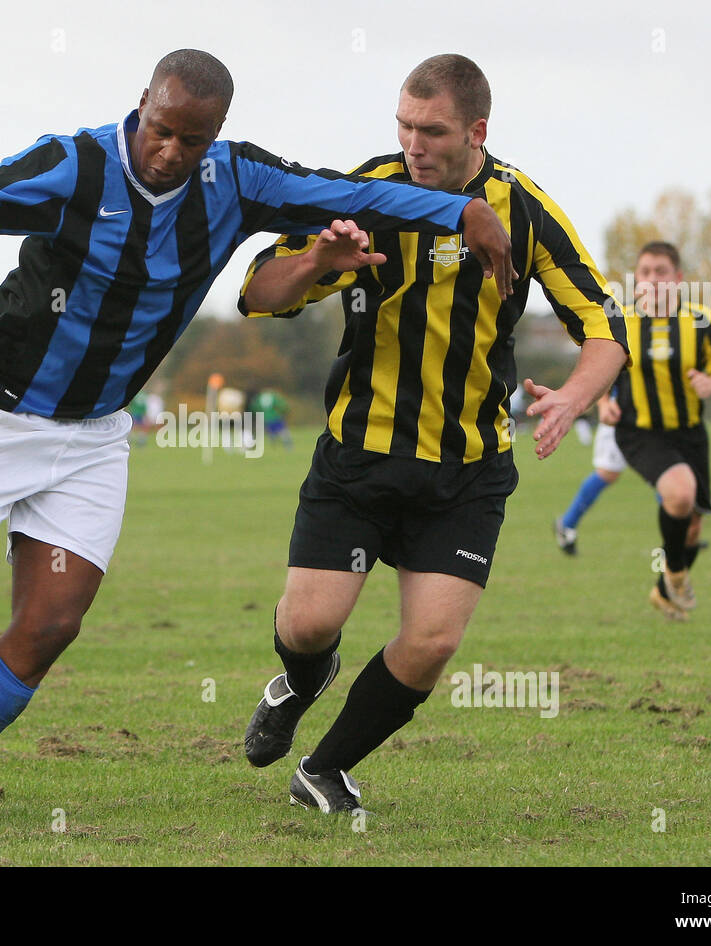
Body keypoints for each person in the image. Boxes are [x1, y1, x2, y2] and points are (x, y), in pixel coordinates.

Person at [0, 48, 517, 824]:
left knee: (51, 624)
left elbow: (354, 193)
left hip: (92, 437)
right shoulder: (79, 163)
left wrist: (464, 209)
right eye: (160, 129)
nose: (169, 151)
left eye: (191, 139)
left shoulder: (238, 178)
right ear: (142, 104)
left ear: (214, 135)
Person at [237, 54, 628, 813]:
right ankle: (304, 677)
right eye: (404, 126)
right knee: (309, 624)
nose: (414, 143)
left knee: (434, 641)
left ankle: (324, 768)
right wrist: (320, 259)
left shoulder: (524, 207)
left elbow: (604, 326)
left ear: (477, 131)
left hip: (467, 470)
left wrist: (575, 397)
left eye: (433, 130)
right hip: (360, 454)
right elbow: (258, 292)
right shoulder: (366, 190)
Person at [612, 241, 711, 621]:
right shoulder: (620, 321)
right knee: (681, 493)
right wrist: (604, 403)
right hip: (639, 432)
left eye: (661, 271)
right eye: (646, 272)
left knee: (693, 525)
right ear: (637, 280)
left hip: (689, 433)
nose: (653, 279)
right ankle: (678, 578)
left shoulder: (702, 322)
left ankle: (662, 589)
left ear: (679, 279)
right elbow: (600, 367)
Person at [553, 390, 625, 555]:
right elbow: (605, 366)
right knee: (607, 473)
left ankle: (682, 535)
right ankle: (567, 524)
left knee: (667, 473)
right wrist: (604, 402)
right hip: (621, 409)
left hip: (659, 414)